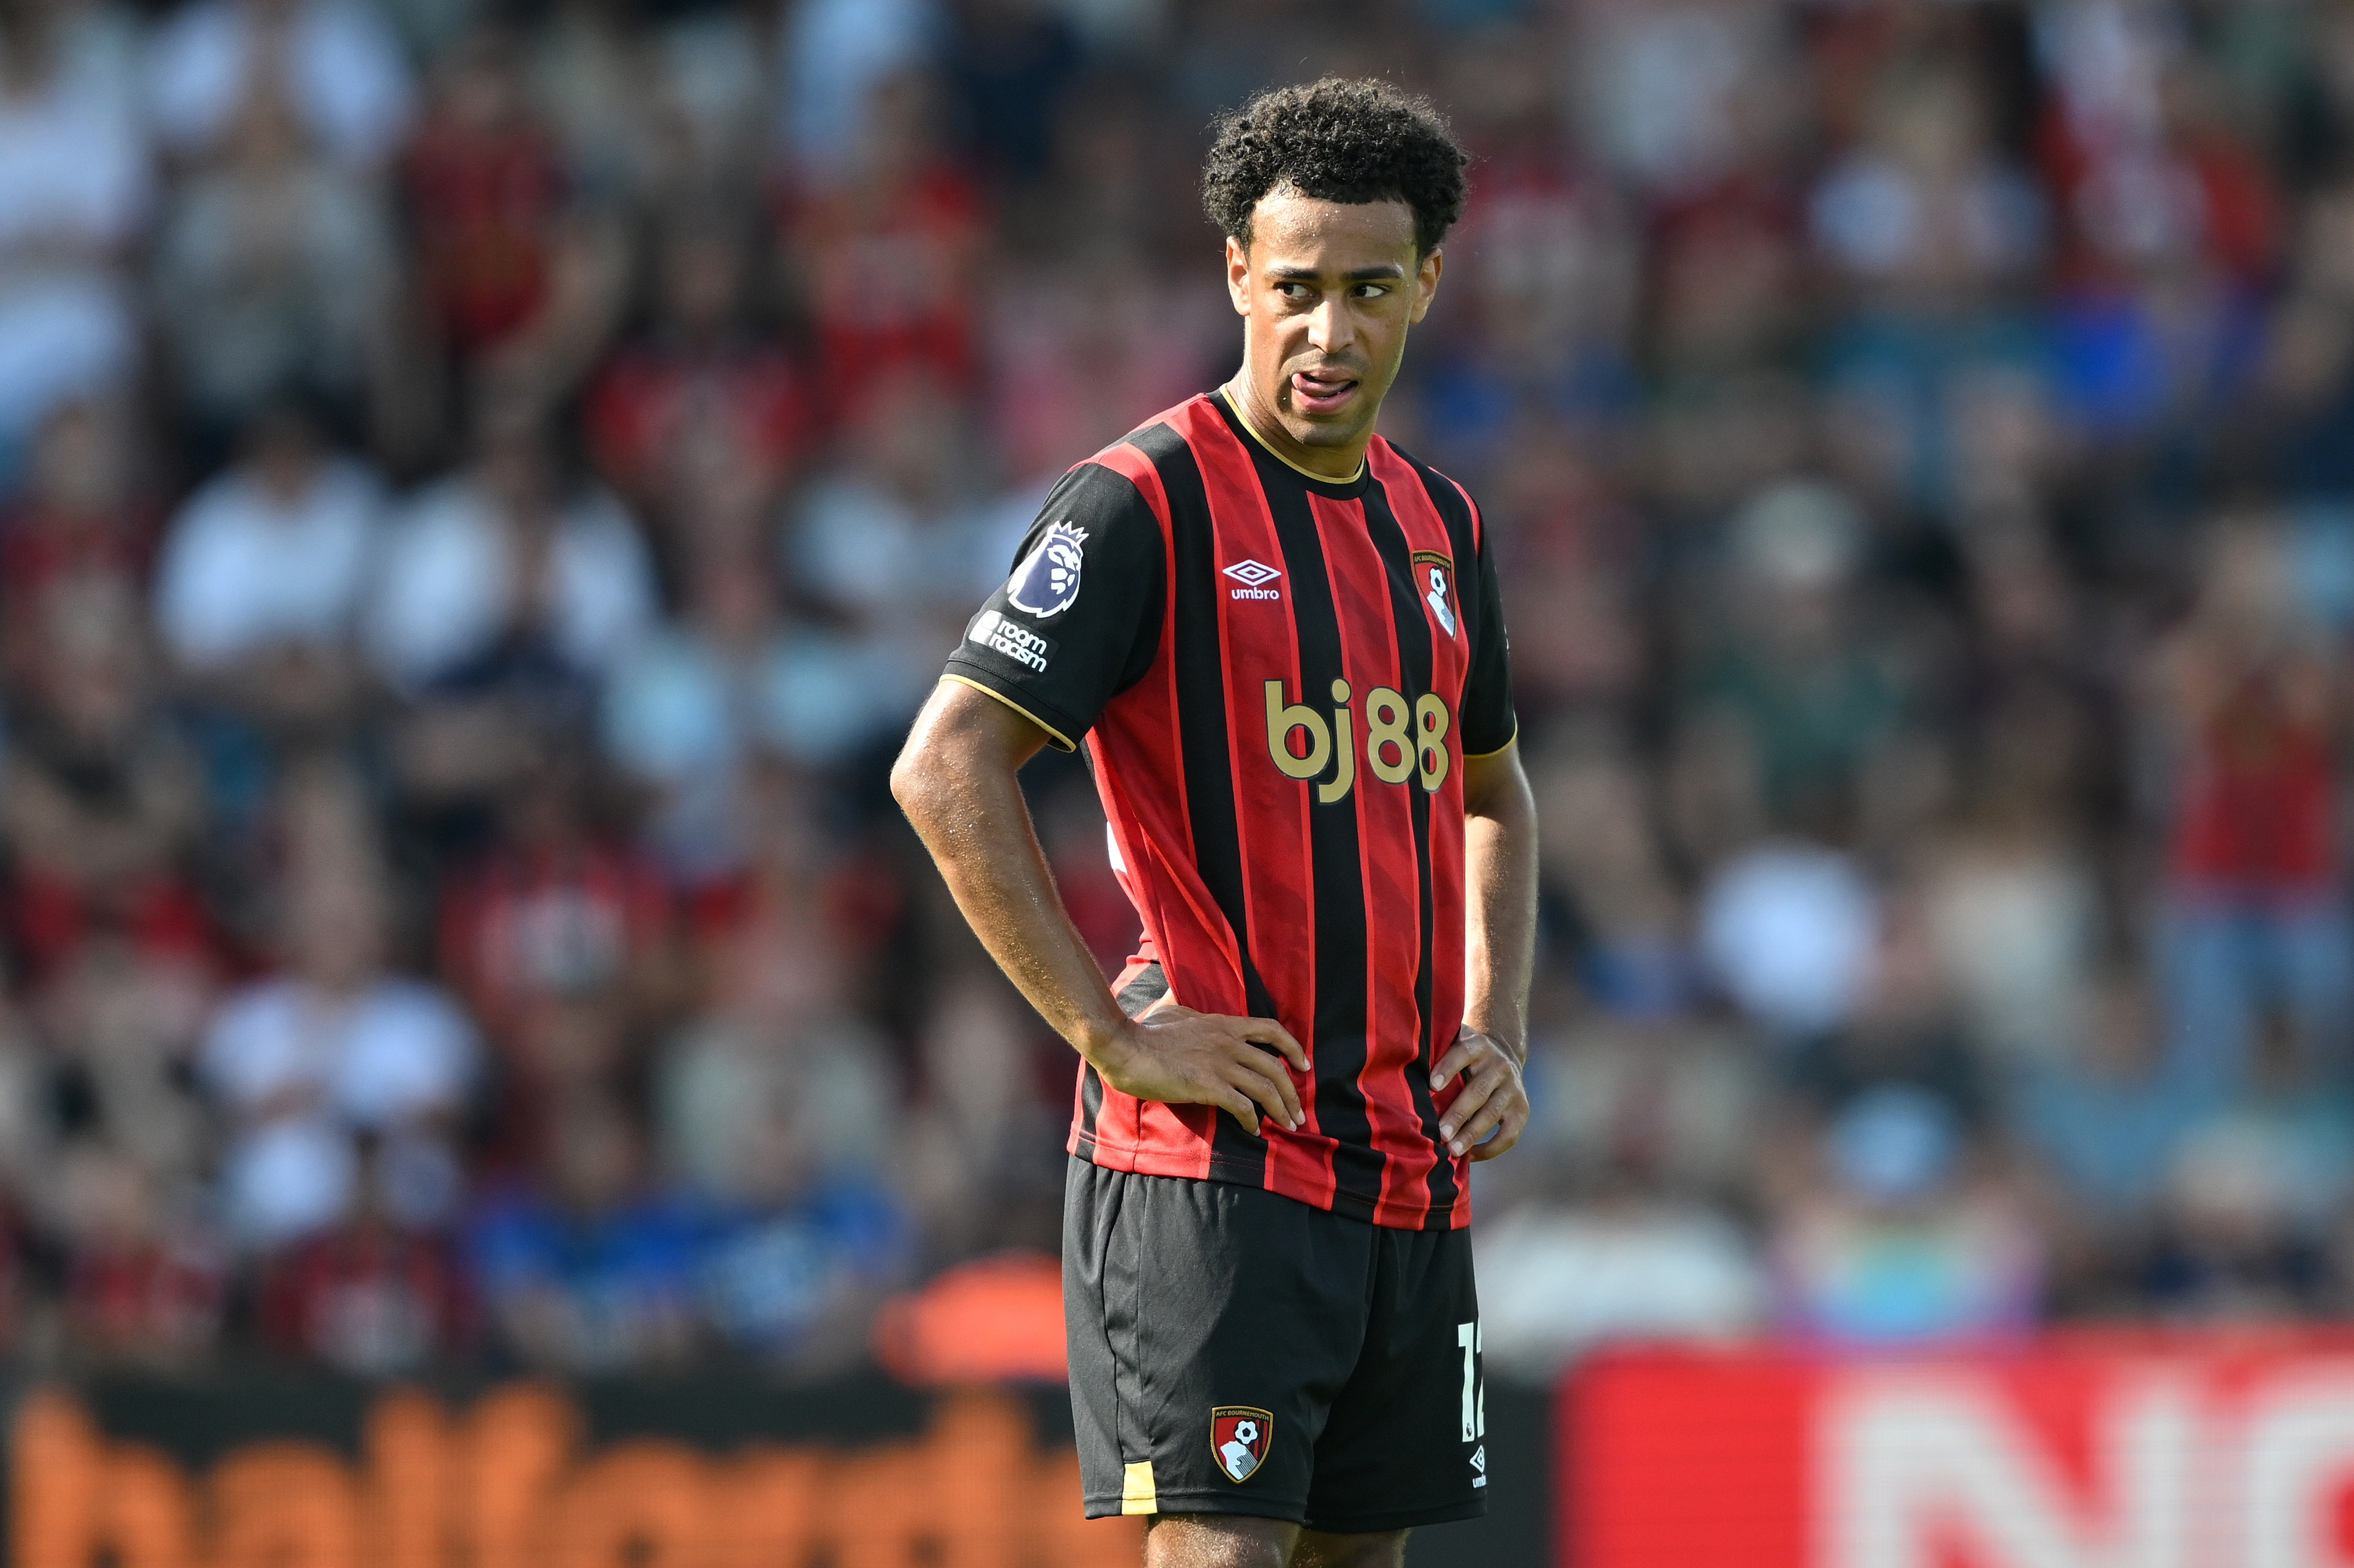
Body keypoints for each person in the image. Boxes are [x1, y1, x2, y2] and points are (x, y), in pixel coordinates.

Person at [891, 78, 1535, 1568]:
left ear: (1425, 284)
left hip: (1400, 1163)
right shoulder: (1140, 503)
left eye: (1368, 290)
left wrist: (1495, 1023)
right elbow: (945, 765)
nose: (1327, 330)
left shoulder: (1441, 527)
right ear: (1235, 273)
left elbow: (1491, 789)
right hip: (1212, 1168)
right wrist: (1110, 1038)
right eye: (1293, 287)